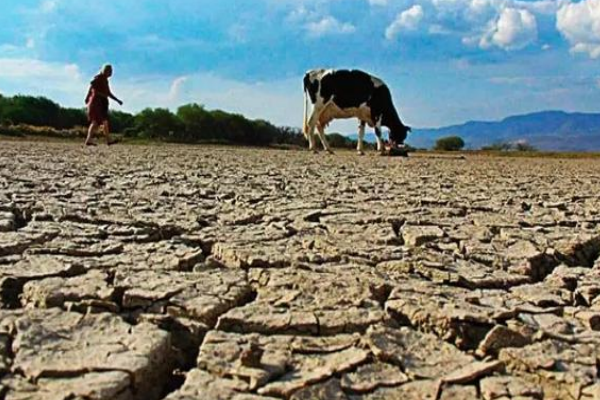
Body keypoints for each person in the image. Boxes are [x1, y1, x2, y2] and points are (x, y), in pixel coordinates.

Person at [85, 64, 123, 146]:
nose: (111, 73)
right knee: (100, 121)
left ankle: (90, 140)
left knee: (97, 122)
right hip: (97, 102)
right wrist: (87, 97)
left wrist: (117, 100)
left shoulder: (105, 80)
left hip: (102, 102)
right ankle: (107, 140)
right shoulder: (98, 78)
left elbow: (108, 93)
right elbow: (92, 87)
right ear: (105, 70)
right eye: (110, 71)